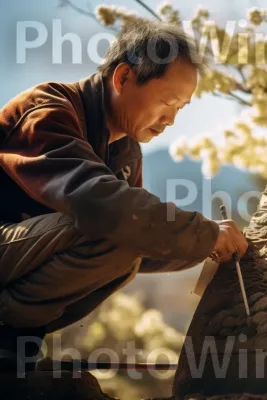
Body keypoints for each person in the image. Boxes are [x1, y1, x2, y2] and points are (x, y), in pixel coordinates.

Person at [0, 19, 248, 370]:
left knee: (127, 239)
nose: (172, 120)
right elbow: (105, 209)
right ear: (123, 78)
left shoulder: (126, 151)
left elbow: (138, 245)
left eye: (181, 108)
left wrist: (207, 245)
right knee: (112, 226)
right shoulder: (47, 109)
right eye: (167, 101)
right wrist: (203, 232)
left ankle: (15, 343)